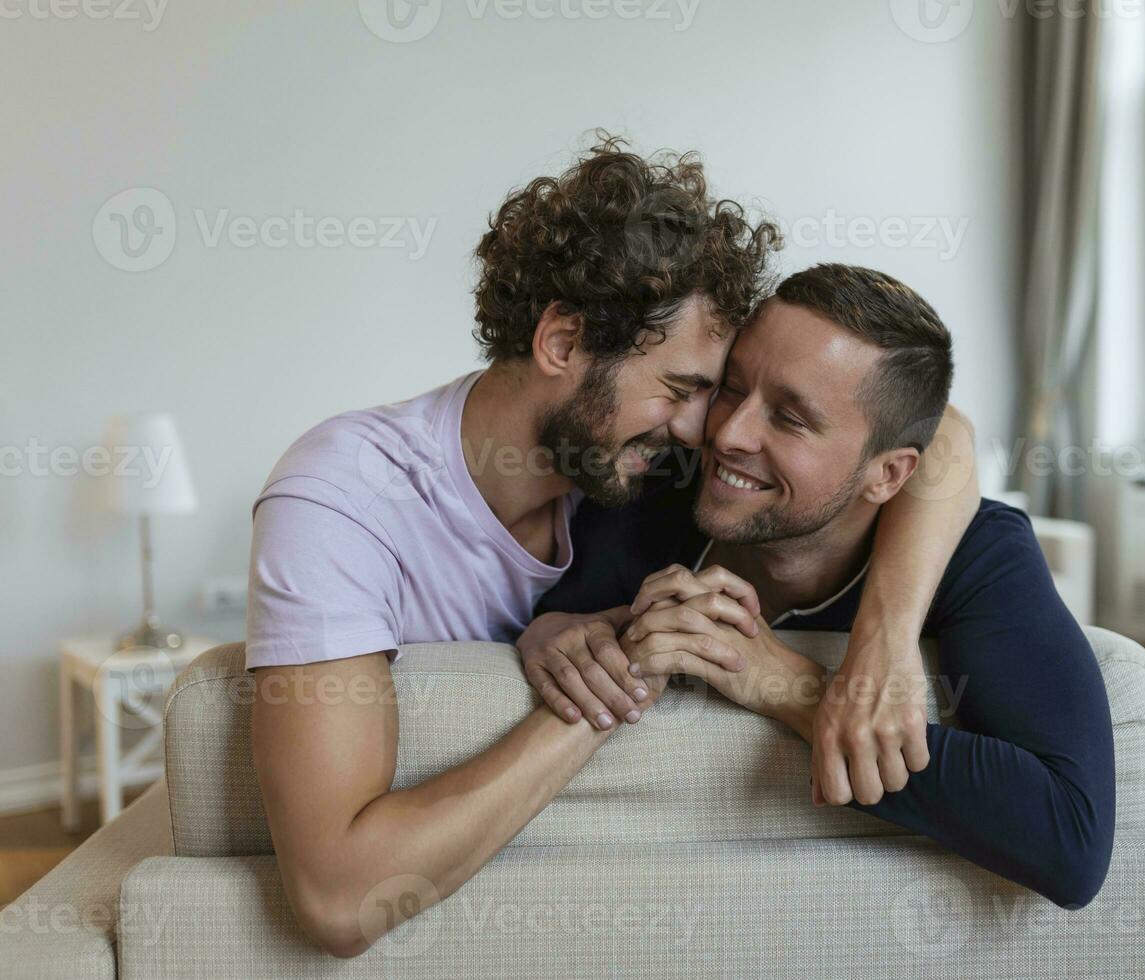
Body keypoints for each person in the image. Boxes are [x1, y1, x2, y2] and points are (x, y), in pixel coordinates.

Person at [246, 139, 976, 958]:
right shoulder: (344, 500)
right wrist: (618, 682)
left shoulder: (635, 472)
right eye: (683, 389)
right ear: (562, 341)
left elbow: (935, 427)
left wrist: (885, 641)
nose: (711, 432)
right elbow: (340, 899)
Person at [533, 263, 1116, 908]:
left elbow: (1071, 844)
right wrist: (552, 632)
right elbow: (546, 622)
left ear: (890, 474)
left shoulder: (979, 554)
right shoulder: (648, 493)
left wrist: (784, 684)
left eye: (791, 418)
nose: (727, 434)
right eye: (733, 387)